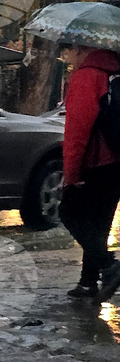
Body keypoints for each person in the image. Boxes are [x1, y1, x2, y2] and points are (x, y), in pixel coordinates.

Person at [58, 43, 120, 302]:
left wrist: (71, 174)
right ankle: (88, 282)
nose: (67, 58)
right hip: (118, 161)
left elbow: (77, 131)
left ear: (81, 49)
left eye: (67, 52)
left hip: (97, 161)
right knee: (98, 223)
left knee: (70, 213)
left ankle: (110, 267)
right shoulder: (114, 72)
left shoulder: (87, 76)